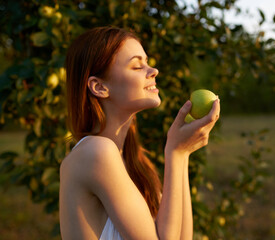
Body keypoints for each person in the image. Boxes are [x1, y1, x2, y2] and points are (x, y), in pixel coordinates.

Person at [59, 26, 220, 240]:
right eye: (136, 66)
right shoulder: (95, 152)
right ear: (99, 87)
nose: (153, 71)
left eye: (147, 62)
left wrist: (183, 154)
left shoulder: (136, 164)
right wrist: (176, 153)